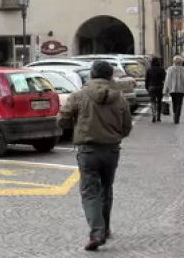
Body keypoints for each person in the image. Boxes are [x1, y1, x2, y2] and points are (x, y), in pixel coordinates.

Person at [58, 60, 133, 251]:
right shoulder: (120, 98)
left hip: (88, 150)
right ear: (110, 77)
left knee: (90, 191)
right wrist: (114, 136)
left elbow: (62, 120)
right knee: (106, 188)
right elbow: (127, 127)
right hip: (111, 150)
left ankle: (97, 232)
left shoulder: (80, 95)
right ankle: (105, 228)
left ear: (91, 75)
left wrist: (75, 125)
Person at [163, 55, 184, 124]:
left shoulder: (170, 69)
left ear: (173, 61)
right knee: (179, 104)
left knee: (174, 102)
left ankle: (175, 115)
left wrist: (165, 89)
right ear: (181, 62)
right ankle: (177, 118)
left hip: (172, 89)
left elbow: (167, 80)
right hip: (181, 90)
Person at [144, 56, 166, 123]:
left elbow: (146, 80)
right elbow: (164, 78)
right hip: (159, 86)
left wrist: (147, 87)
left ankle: (154, 114)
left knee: (153, 101)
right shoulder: (161, 69)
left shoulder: (149, 70)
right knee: (159, 101)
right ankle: (159, 117)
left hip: (151, 86)